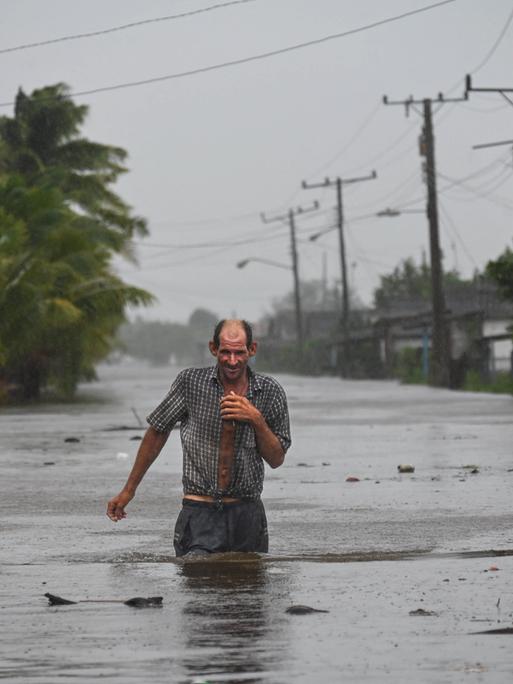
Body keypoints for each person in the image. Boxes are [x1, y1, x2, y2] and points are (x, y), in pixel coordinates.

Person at [106, 319, 291, 556]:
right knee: (198, 586)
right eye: (225, 352)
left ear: (252, 349)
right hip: (199, 511)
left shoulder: (270, 391)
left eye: (239, 353)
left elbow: (276, 459)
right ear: (213, 349)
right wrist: (128, 490)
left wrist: (255, 419)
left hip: (247, 513)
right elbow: (157, 432)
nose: (232, 361)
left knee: (248, 588)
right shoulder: (190, 383)